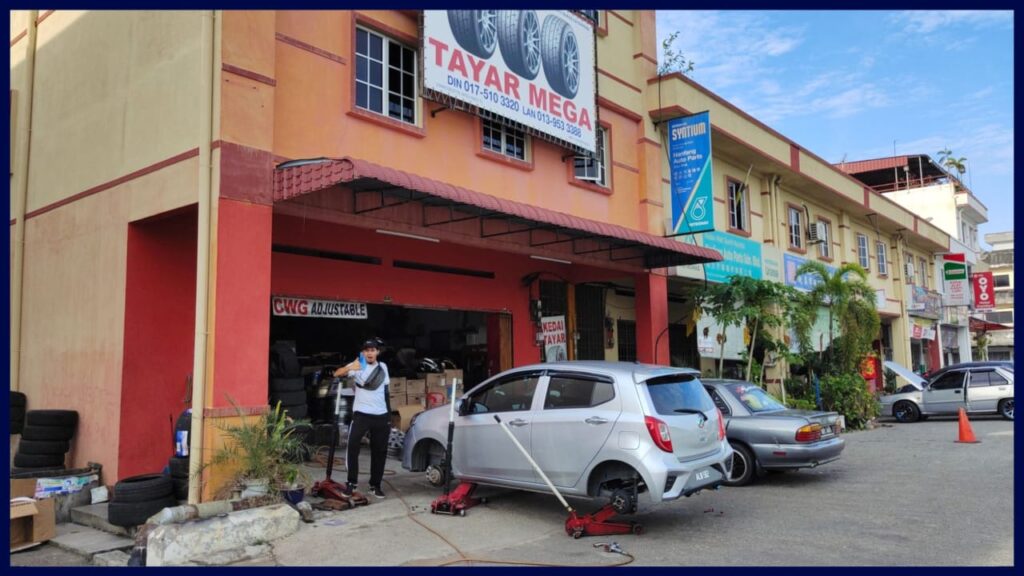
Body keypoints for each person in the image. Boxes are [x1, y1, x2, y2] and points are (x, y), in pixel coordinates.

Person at [333, 338, 391, 499]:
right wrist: (352, 367)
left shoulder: (383, 367)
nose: (370, 353)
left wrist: (388, 415)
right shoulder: (357, 365)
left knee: (379, 451)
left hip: (381, 415)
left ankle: (375, 485)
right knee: (352, 447)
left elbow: (385, 392)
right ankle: (351, 483)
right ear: (363, 352)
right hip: (361, 415)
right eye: (367, 350)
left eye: (373, 350)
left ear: (377, 352)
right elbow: (336, 374)